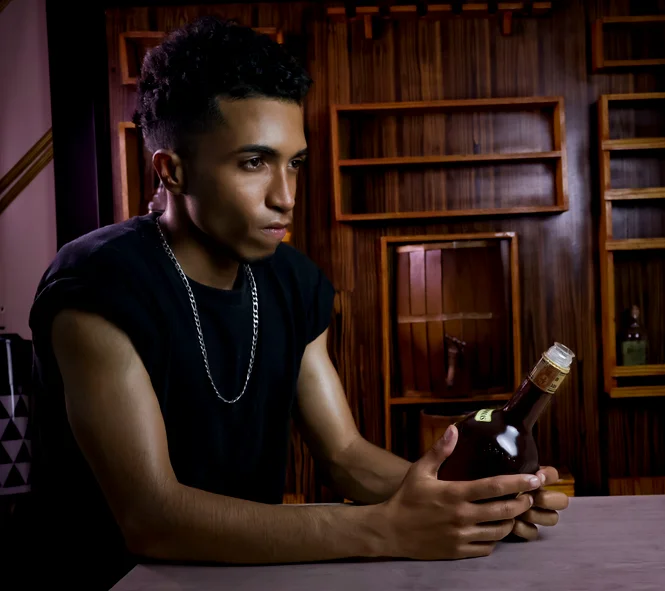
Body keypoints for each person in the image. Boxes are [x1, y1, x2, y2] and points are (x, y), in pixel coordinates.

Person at [22, 16, 568, 589]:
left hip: (243, 580)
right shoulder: (97, 285)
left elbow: (345, 455)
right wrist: (386, 530)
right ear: (173, 171)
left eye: (295, 163)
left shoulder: (292, 280)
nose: (285, 196)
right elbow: (152, 519)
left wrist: (473, 503)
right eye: (253, 162)